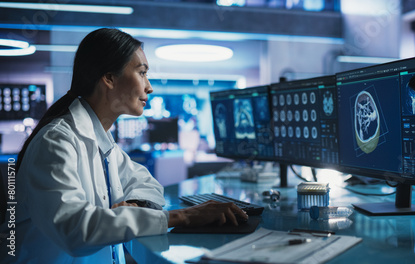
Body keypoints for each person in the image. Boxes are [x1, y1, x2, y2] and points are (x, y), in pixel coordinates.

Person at [2, 28, 247, 263]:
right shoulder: (56, 142)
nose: (149, 86)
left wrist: (136, 205)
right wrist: (183, 216)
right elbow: (74, 231)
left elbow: (149, 185)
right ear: (109, 78)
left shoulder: (104, 145)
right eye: (142, 72)